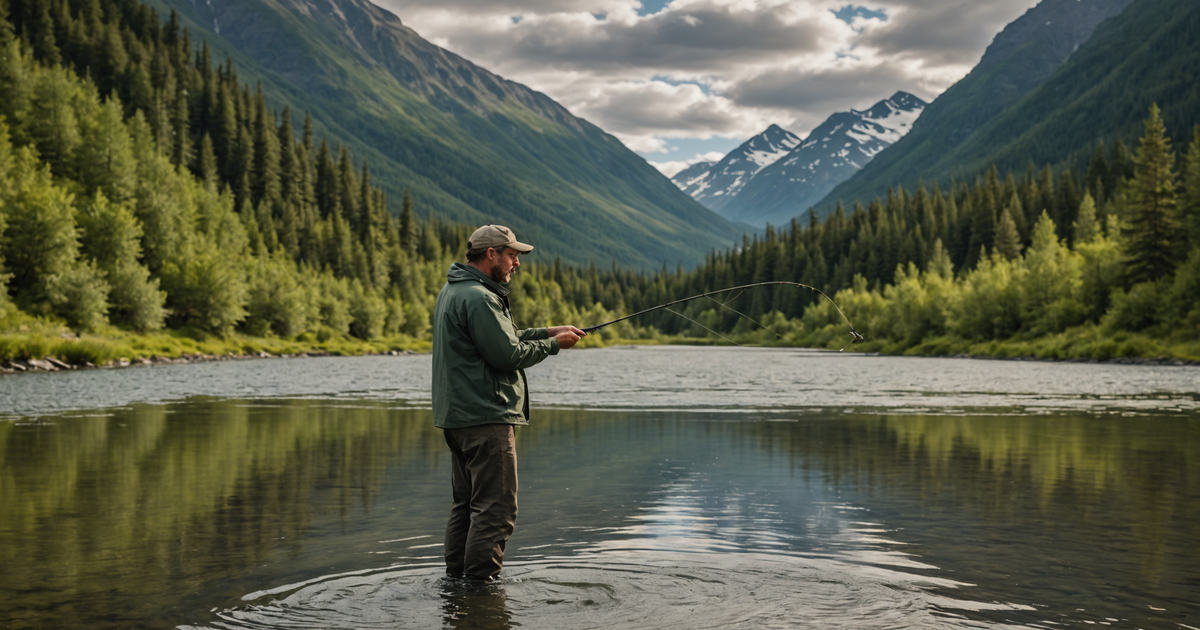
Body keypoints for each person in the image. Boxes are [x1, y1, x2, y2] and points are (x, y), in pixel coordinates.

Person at [431, 224, 585, 582]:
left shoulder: (455, 290)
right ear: (491, 254)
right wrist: (554, 346)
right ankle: (481, 592)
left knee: (467, 508)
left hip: (459, 420)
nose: (517, 263)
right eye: (513, 255)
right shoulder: (481, 297)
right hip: (486, 419)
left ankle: (456, 583)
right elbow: (506, 354)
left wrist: (548, 331)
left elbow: (503, 336)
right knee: (496, 511)